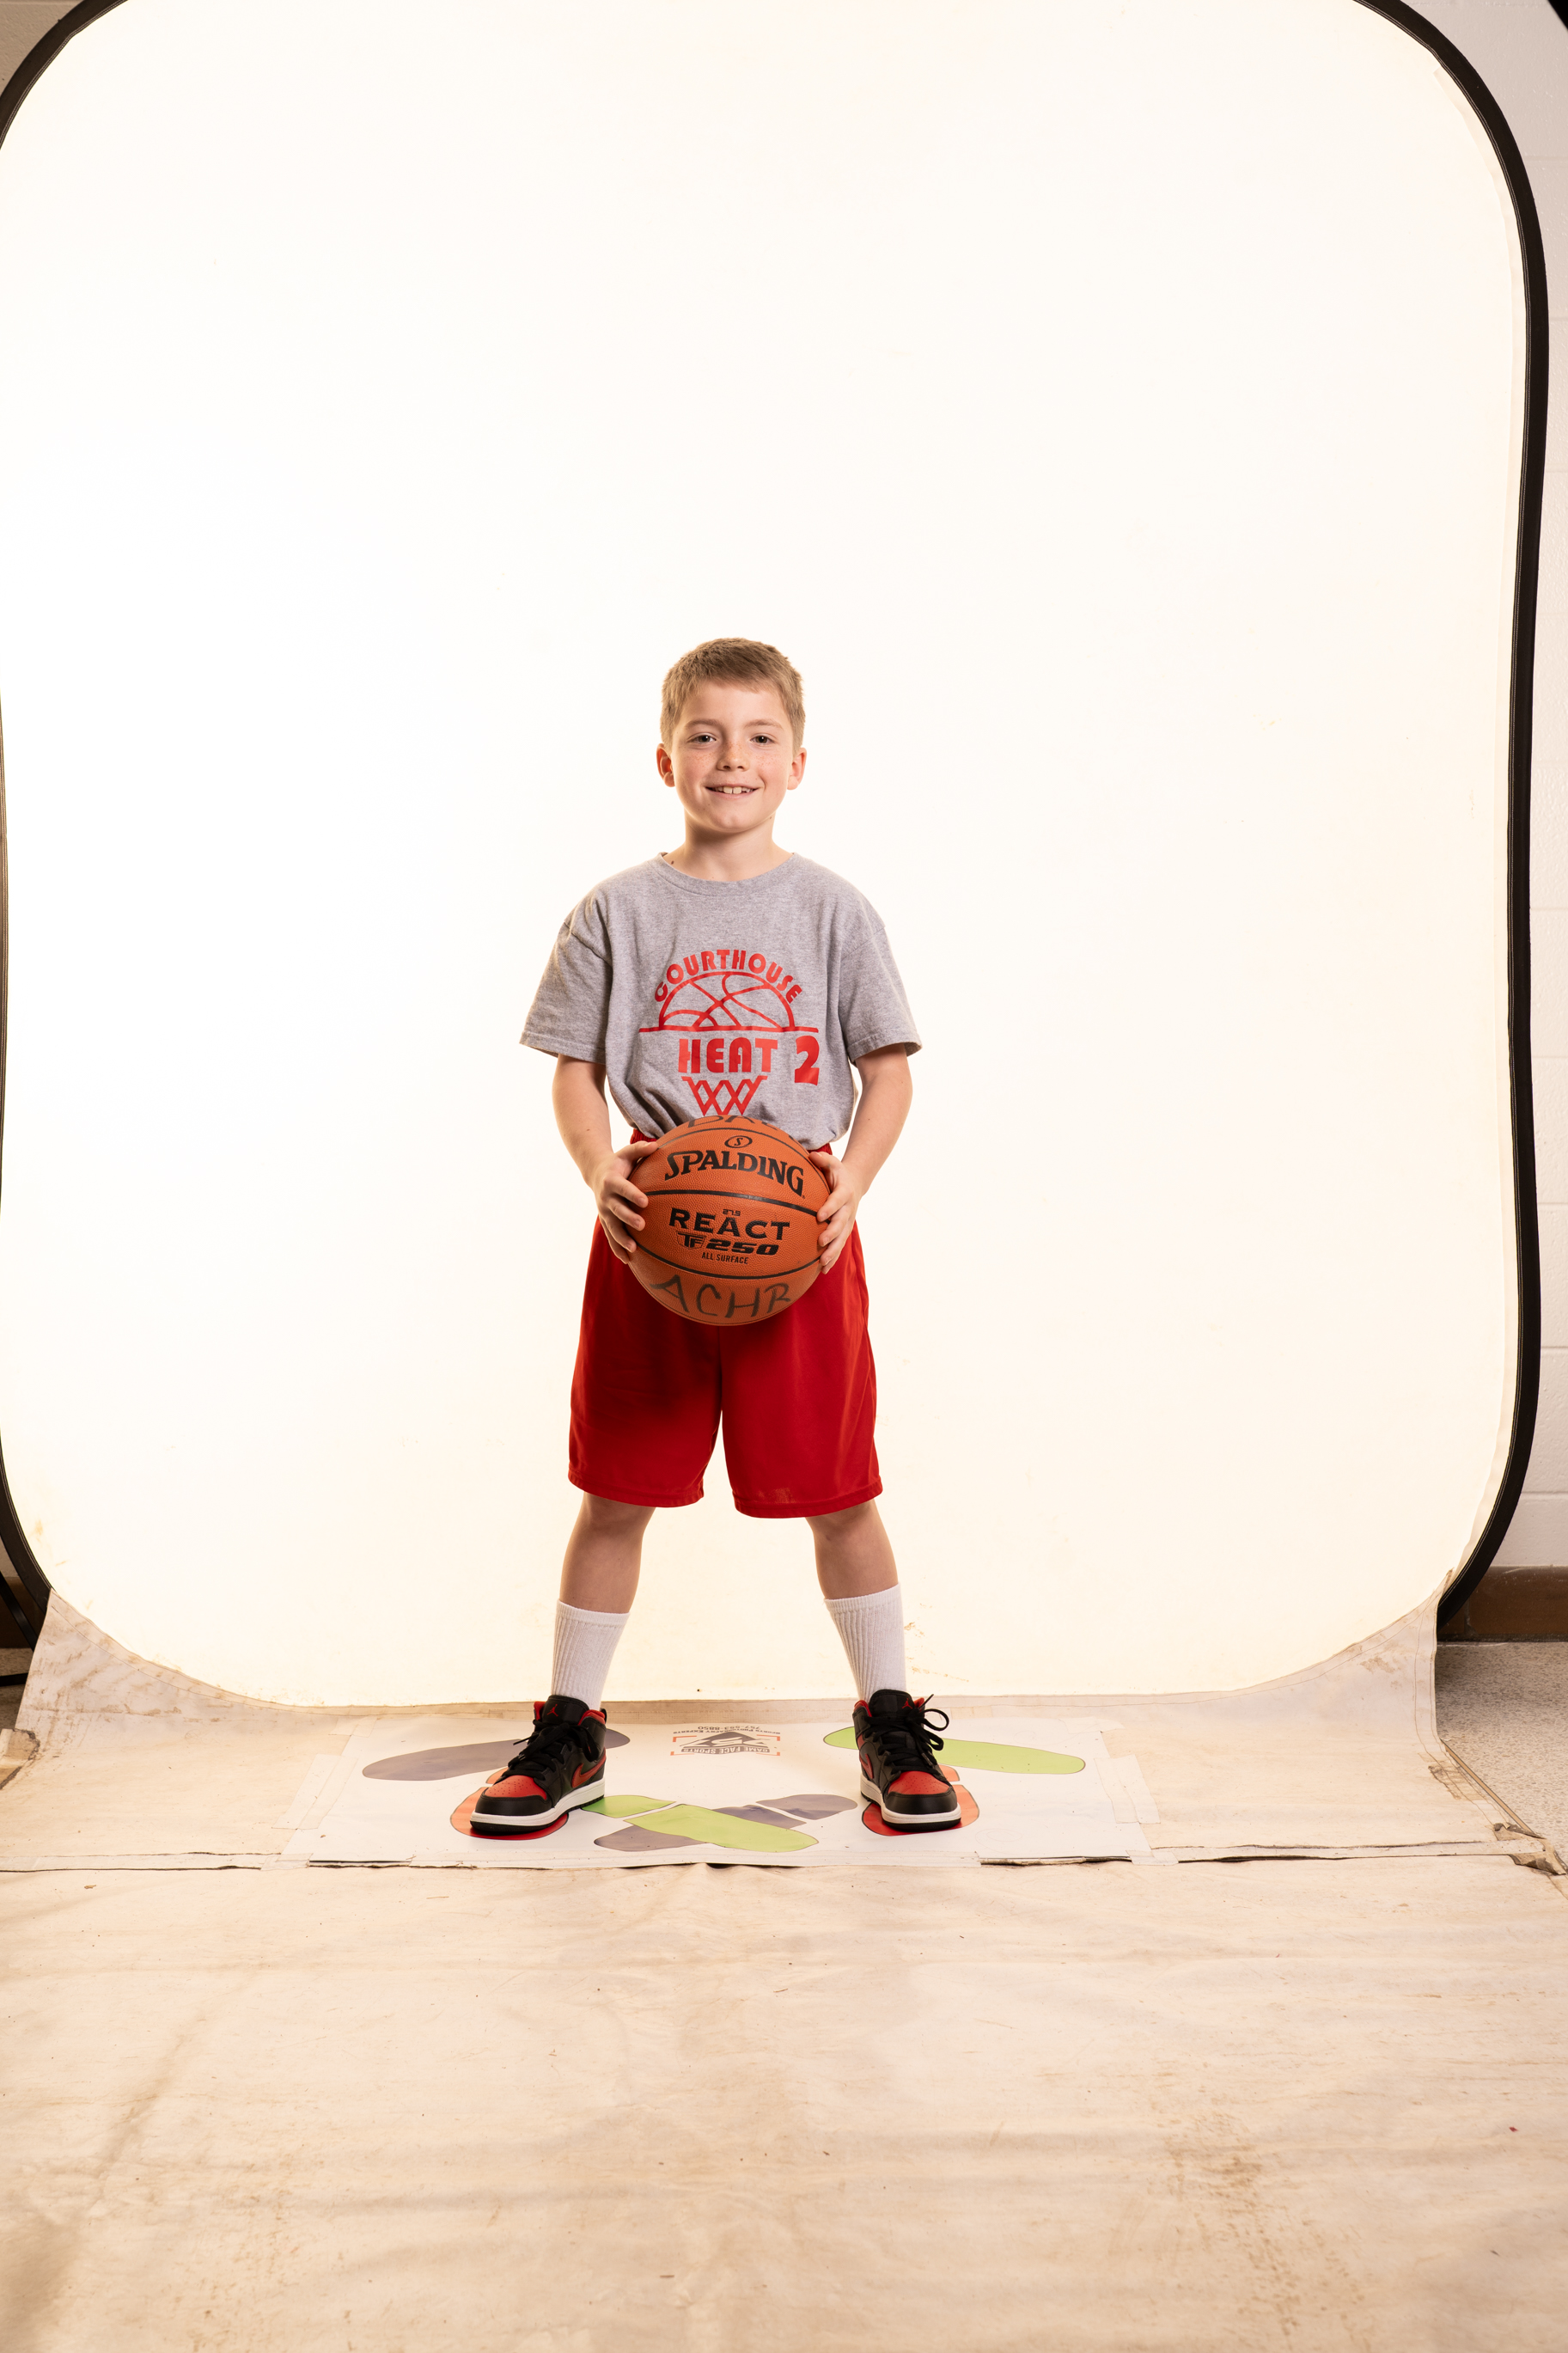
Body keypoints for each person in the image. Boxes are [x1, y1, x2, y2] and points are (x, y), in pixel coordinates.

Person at [472, 639, 956, 1835]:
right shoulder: (615, 911)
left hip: (802, 1237)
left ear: (796, 763)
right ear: (665, 759)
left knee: (840, 1493)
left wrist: (851, 1184)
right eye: (704, 735)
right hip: (653, 1235)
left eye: (756, 737)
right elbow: (573, 1070)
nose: (729, 758)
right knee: (614, 1493)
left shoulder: (833, 909)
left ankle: (888, 1719)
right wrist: (600, 1169)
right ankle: (571, 1727)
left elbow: (888, 1070)